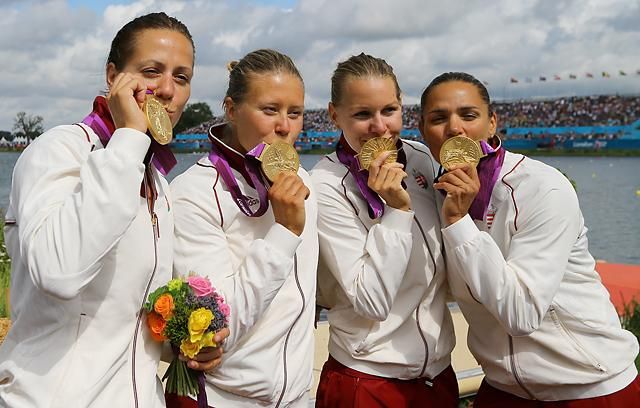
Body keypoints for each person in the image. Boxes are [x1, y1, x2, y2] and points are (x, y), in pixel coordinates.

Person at [0, 12, 226, 407]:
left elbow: (130, 315)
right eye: (152, 71)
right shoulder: (60, 149)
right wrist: (127, 140)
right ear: (112, 77)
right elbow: (58, 271)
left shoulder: (156, 180)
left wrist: (184, 343)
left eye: (182, 77)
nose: (168, 90)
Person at [419, 71, 640, 406]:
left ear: (492, 123)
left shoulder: (541, 187)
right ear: (422, 131)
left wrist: (458, 221)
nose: (454, 129)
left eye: (469, 115)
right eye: (438, 118)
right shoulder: (436, 193)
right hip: (502, 388)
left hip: (588, 386)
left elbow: (521, 315)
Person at [168, 49, 317, 408]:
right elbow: (217, 328)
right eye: (270, 110)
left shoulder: (304, 181)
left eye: (294, 113)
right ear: (232, 109)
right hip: (223, 398)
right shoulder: (194, 192)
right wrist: (284, 233)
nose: (284, 126)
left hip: (297, 397)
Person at [311, 53, 457, 408]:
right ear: (334, 114)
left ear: (402, 103)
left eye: (389, 110)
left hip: (437, 376)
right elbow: (371, 302)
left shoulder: (420, 157)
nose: (380, 128)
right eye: (362, 114)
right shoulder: (325, 185)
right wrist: (397, 210)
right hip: (368, 379)